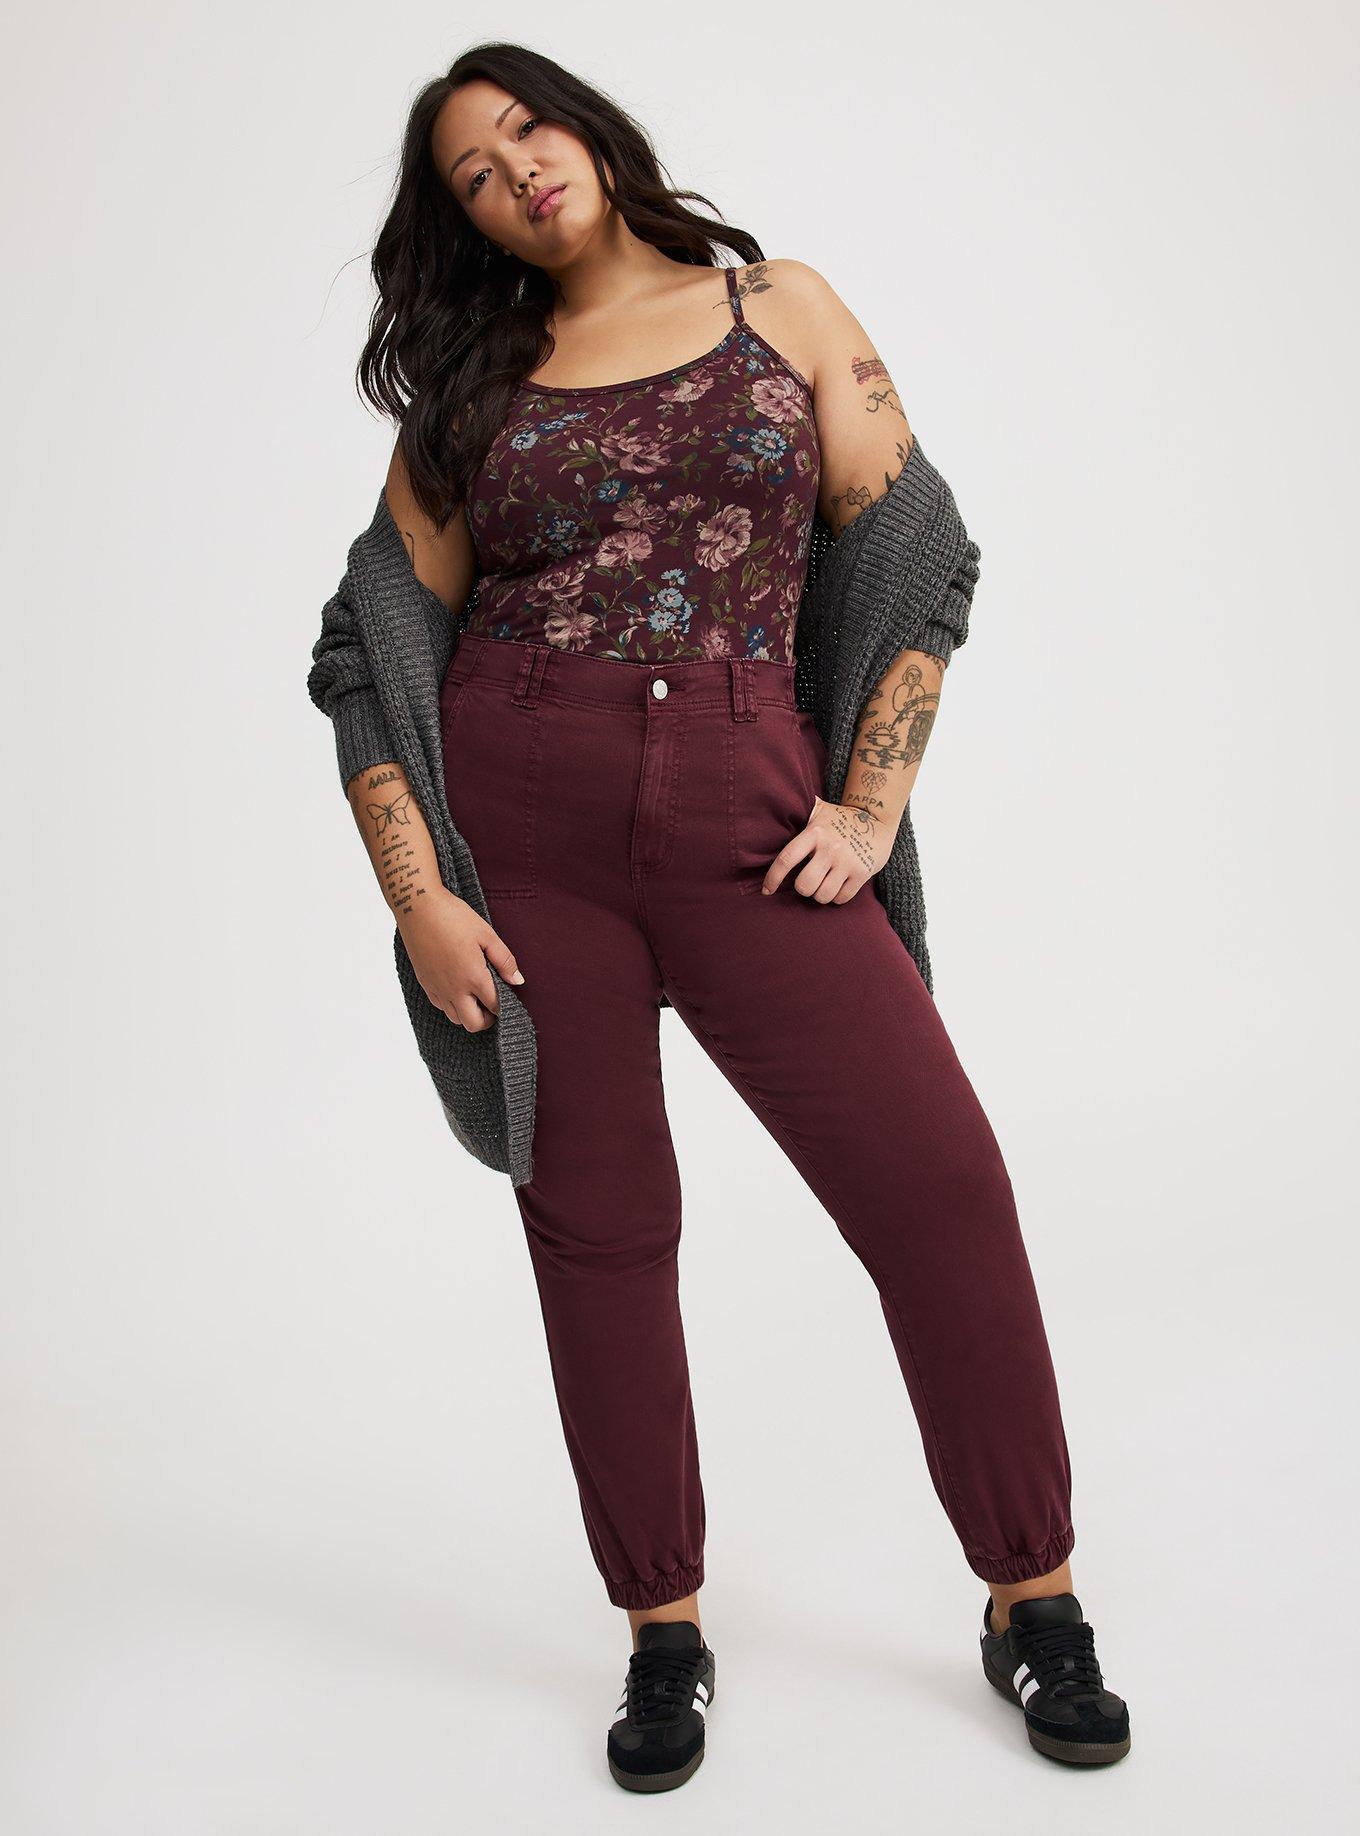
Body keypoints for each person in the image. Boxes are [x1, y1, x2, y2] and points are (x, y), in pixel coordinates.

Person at [322, 40, 1131, 1790]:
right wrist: (422, 899)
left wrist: (869, 810)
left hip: (750, 805)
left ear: (587, 126)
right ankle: (662, 1631)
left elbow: (921, 558)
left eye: (525, 128)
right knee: (602, 1232)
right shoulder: (475, 383)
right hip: (529, 833)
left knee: (940, 1189)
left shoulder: (782, 307)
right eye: (472, 175)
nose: (516, 173)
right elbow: (367, 647)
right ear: (466, 223)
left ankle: (1033, 1596)